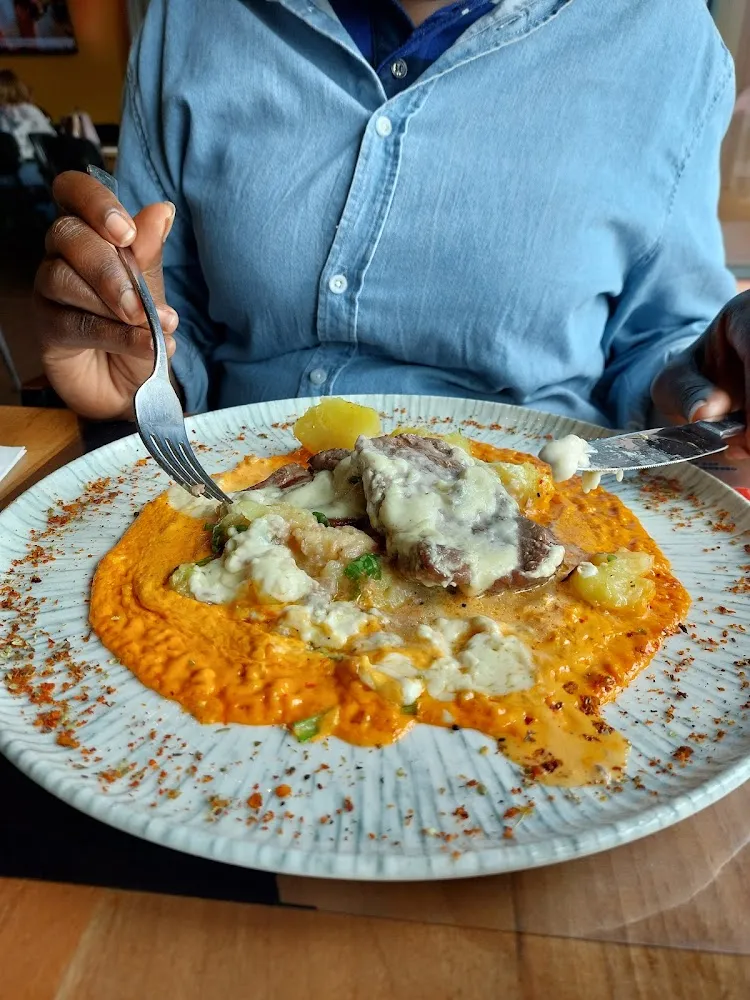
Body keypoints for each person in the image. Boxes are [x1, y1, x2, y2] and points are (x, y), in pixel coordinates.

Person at [33, 0, 750, 455]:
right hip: (232, 499)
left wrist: (704, 384)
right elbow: (173, 314)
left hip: (540, 511)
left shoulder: (670, 42)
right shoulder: (186, 16)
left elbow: (656, 346)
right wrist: (140, 368)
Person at [0, 68, 54, 184]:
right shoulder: (31, 111)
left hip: (10, 175)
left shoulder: (5, 114)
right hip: (34, 170)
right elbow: (52, 143)